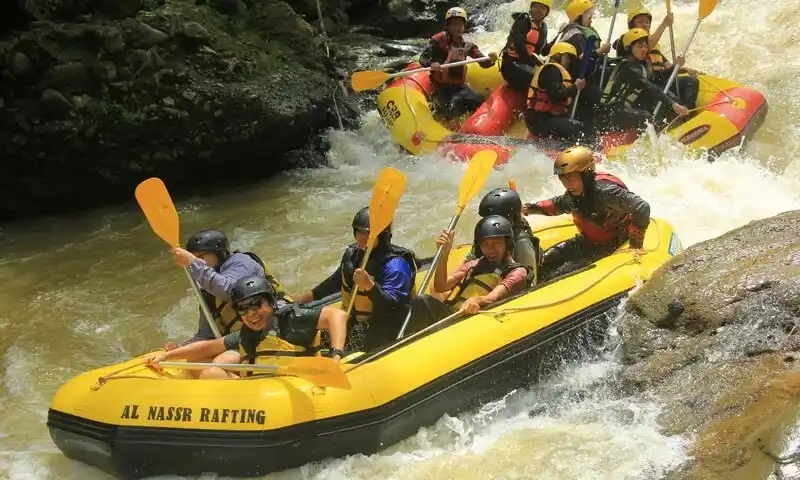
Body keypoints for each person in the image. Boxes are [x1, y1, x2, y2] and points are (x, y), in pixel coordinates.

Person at [149, 276, 348, 379]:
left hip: (294, 388)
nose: (251, 313)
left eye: (256, 304)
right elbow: (211, 346)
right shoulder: (247, 334)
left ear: (271, 303)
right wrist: (167, 356)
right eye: (243, 309)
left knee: (212, 373)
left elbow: (336, 315)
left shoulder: (291, 320)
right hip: (255, 393)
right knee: (201, 362)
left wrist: (336, 356)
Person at [292, 207, 418, 352]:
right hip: (354, 319)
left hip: (385, 324)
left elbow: (392, 306)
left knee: (357, 335)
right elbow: (336, 281)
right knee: (321, 332)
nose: (361, 238)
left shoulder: (395, 266)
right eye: (359, 232)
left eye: (368, 234)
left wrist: (370, 286)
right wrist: (303, 299)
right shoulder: (353, 255)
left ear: (382, 235)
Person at [521, 146, 650, 280]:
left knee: (558, 274)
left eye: (571, 176)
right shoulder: (575, 193)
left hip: (613, 246)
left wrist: (635, 245)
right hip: (588, 242)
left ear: (585, 173)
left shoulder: (606, 192)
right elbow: (558, 204)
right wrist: (530, 208)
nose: (566, 182)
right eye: (562, 177)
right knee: (542, 262)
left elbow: (641, 207)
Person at [404, 215, 530, 334]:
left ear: (507, 244)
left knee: (423, 301)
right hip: (453, 315)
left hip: (474, 323)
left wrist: (477, 300)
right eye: (485, 244)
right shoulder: (474, 265)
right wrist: (444, 254)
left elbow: (493, 297)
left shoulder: (517, 272)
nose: (490, 250)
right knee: (419, 301)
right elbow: (441, 286)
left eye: (496, 243)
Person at [168, 229, 265, 348]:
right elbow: (206, 335)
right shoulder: (209, 287)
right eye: (195, 258)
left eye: (201, 256)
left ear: (219, 253)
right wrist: (182, 347)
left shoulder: (242, 262)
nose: (199, 262)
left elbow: (231, 291)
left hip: (267, 331)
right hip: (239, 338)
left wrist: (192, 262)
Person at [600, 28, 689, 131]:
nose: (644, 49)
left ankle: (683, 120)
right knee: (647, 117)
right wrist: (672, 104)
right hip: (611, 111)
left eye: (645, 46)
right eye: (639, 46)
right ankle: (657, 141)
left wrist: (675, 67)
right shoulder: (627, 67)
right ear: (628, 48)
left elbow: (657, 80)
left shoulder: (642, 64)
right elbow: (649, 86)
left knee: (662, 99)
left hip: (627, 107)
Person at [418, 7, 498, 120]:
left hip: (460, 87)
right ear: (448, 26)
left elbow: (483, 63)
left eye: (460, 24)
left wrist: (491, 59)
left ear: (464, 26)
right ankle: (440, 112)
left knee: (479, 103)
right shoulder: (439, 39)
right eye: (453, 24)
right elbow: (423, 59)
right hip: (441, 88)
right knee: (452, 108)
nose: (457, 27)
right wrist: (432, 63)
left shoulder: (467, 45)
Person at [615, 7, 700, 109]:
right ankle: (681, 114)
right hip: (649, 85)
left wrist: (684, 69)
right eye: (640, 22)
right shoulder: (628, 42)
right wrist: (664, 24)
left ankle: (688, 111)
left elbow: (667, 66)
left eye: (647, 22)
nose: (645, 24)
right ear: (632, 25)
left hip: (662, 79)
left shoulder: (651, 45)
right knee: (673, 100)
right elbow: (649, 43)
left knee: (692, 81)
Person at [549, 0, 611, 132]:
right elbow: (583, 57)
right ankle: (592, 129)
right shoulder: (575, 34)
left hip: (582, 74)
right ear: (579, 16)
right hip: (571, 77)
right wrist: (601, 50)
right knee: (597, 95)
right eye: (589, 16)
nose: (591, 19)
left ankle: (595, 126)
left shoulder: (581, 31)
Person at [466, 188, 542, 285]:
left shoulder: (521, 242)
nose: (489, 223)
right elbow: (469, 260)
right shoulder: (485, 233)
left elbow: (530, 283)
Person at [525, 42, 586, 142]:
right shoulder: (552, 70)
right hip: (541, 120)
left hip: (543, 118)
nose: (569, 61)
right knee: (576, 127)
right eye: (568, 57)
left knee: (575, 121)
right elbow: (555, 95)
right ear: (558, 55)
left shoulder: (556, 71)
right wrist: (576, 87)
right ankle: (570, 151)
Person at [499, 0, 553, 94]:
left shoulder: (543, 27)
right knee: (542, 79)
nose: (538, 10)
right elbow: (519, 47)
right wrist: (534, 63)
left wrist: (559, 37)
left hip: (526, 66)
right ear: (531, 7)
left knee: (550, 77)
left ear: (546, 12)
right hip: (512, 65)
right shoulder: (523, 21)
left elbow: (544, 51)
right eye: (536, 6)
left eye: (542, 8)